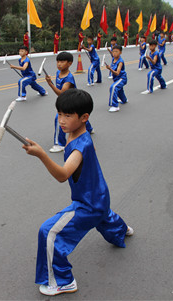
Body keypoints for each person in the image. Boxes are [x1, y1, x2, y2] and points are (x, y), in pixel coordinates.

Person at [21, 89, 133, 296]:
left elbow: (63, 175)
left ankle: (64, 282)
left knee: (49, 232)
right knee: (104, 215)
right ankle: (123, 229)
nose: (61, 120)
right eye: (59, 114)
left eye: (67, 115)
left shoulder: (79, 147)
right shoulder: (77, 133)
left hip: (87, 203)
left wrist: (41, 155)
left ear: (84, 118)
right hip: (99, 195)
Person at [44, 52, 93, 153]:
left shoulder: (68, 78)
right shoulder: (59, 73)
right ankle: (89, 128)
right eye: (58, 61)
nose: (59, 64)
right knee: (79, 116)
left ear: (69, 63)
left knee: (59, 119)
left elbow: (61, 93)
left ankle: (59, 144)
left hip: (72, 101)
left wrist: (50, 84)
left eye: (62, 62)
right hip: (69, 100)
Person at [105, 45, 128, 112]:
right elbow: (113, 66)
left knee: (113, 87)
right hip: (116, 79)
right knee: (119, 90)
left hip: (121, 78)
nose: (114, 53)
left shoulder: (120, 61)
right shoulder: (113, 59)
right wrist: (109, 67)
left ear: (120, 52)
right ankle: (124, 100)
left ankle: (115, 106)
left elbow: (117, 73)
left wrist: (110, 69)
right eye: (113, 51)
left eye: (116, 51)